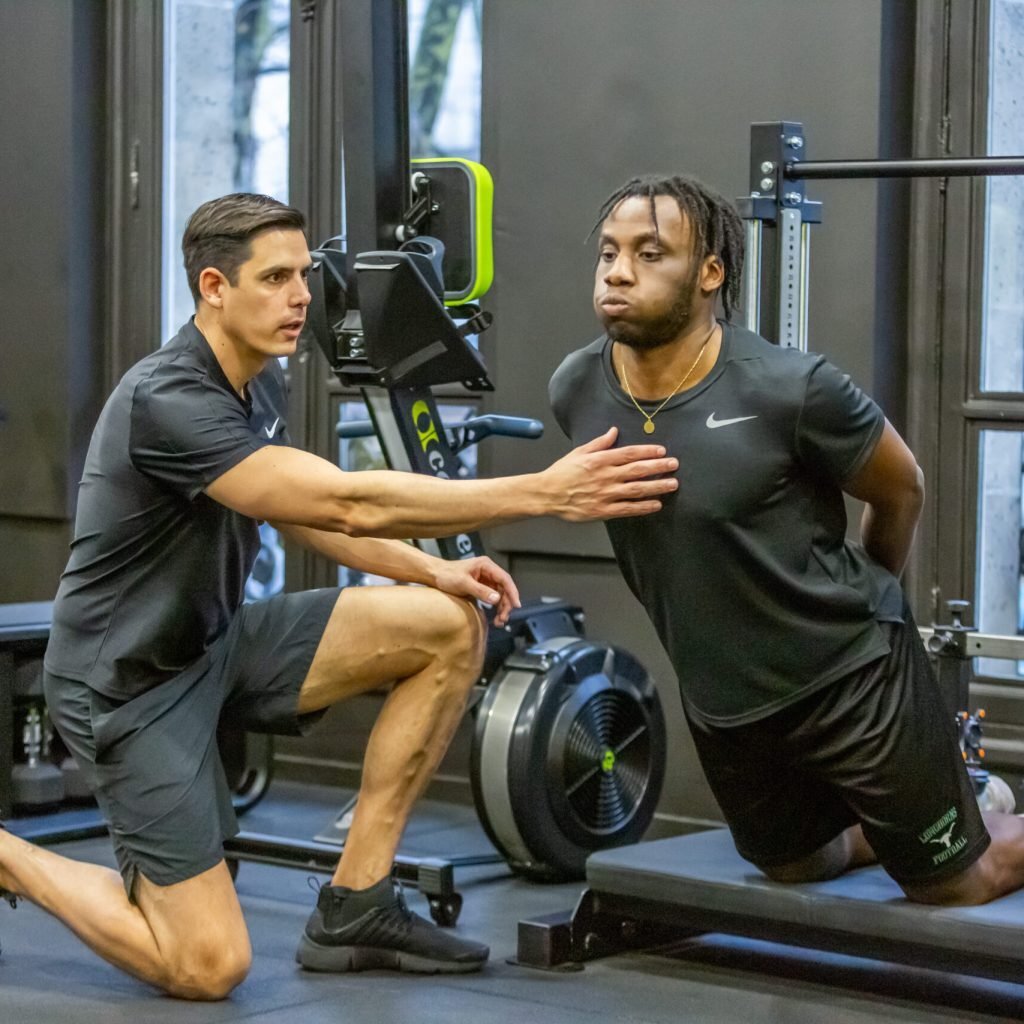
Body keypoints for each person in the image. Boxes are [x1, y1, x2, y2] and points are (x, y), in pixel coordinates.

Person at [0, 192, 679, 1001]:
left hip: (215, 644)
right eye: (277, 277)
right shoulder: (168, 398)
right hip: (128, 684)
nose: (300, 298)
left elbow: (305, 512)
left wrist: (434, 572)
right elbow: (341, 502)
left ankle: (357, 904)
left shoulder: (259, 384)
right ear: (214, 286)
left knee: (445, 626)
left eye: (303, 275)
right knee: (208, 965)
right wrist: (541, 492)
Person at [549, 172, 1024, 909]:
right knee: (801, 864)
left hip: (852, 680)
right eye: (609, 252)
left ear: (710, 274)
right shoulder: (575, 387)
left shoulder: (789, 389)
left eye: (649, 253)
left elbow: (903, 488)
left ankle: (957, 829)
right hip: (724, 702)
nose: (617, 270)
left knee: (956, 882)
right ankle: (959, 808)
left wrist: (867, 596)